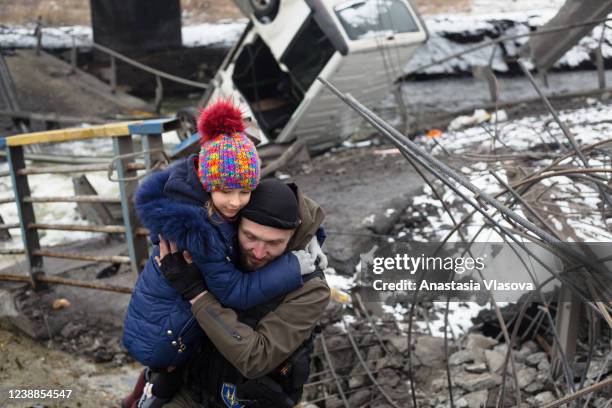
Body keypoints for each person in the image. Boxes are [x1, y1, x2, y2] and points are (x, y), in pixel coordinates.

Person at [122, 100, 316, 407]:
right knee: (166, 372)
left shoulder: (203, 208)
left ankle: (143, 398)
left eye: (244, 191)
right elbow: (235, 291)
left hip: (169, 329)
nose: (236, 203)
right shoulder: (201, 230)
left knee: (164, 380)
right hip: (164, 333)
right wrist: (293, 265)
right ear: (206, 183)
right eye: (226, 191)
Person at [158, 179, 331, 407]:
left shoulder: (311, 289)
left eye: (274, 243)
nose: (258, 252)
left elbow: (255, 358)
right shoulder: (222, 248)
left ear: (293, 237)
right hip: (193, 390)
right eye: (250, 237)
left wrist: (196, 294)